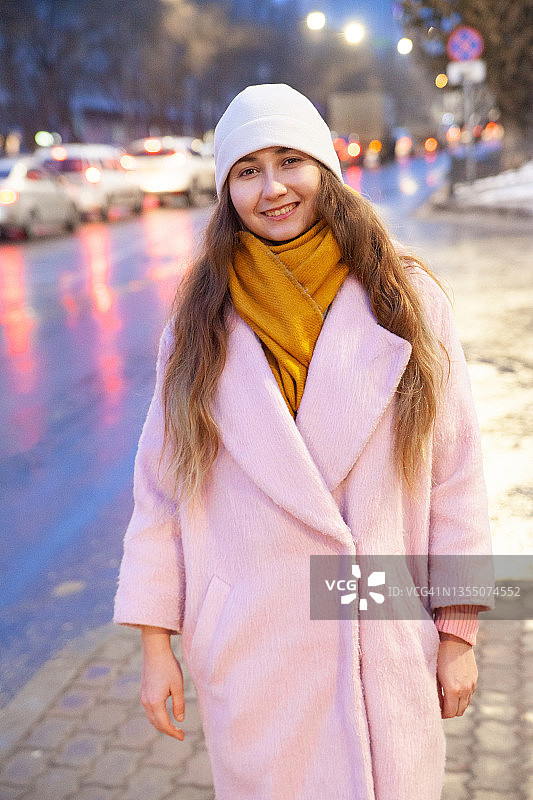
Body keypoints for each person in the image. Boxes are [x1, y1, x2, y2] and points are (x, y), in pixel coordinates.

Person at [114, 84, 494, 800]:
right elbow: (160, 492)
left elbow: (457, 474)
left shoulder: (403, 300)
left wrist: (458, 633)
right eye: (247, 170)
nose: (272, 187)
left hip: (377, 633)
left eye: (289, 160)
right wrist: (155, 643)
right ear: (227, 189)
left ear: (324, 168)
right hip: (254, 646)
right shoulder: (198, 323)